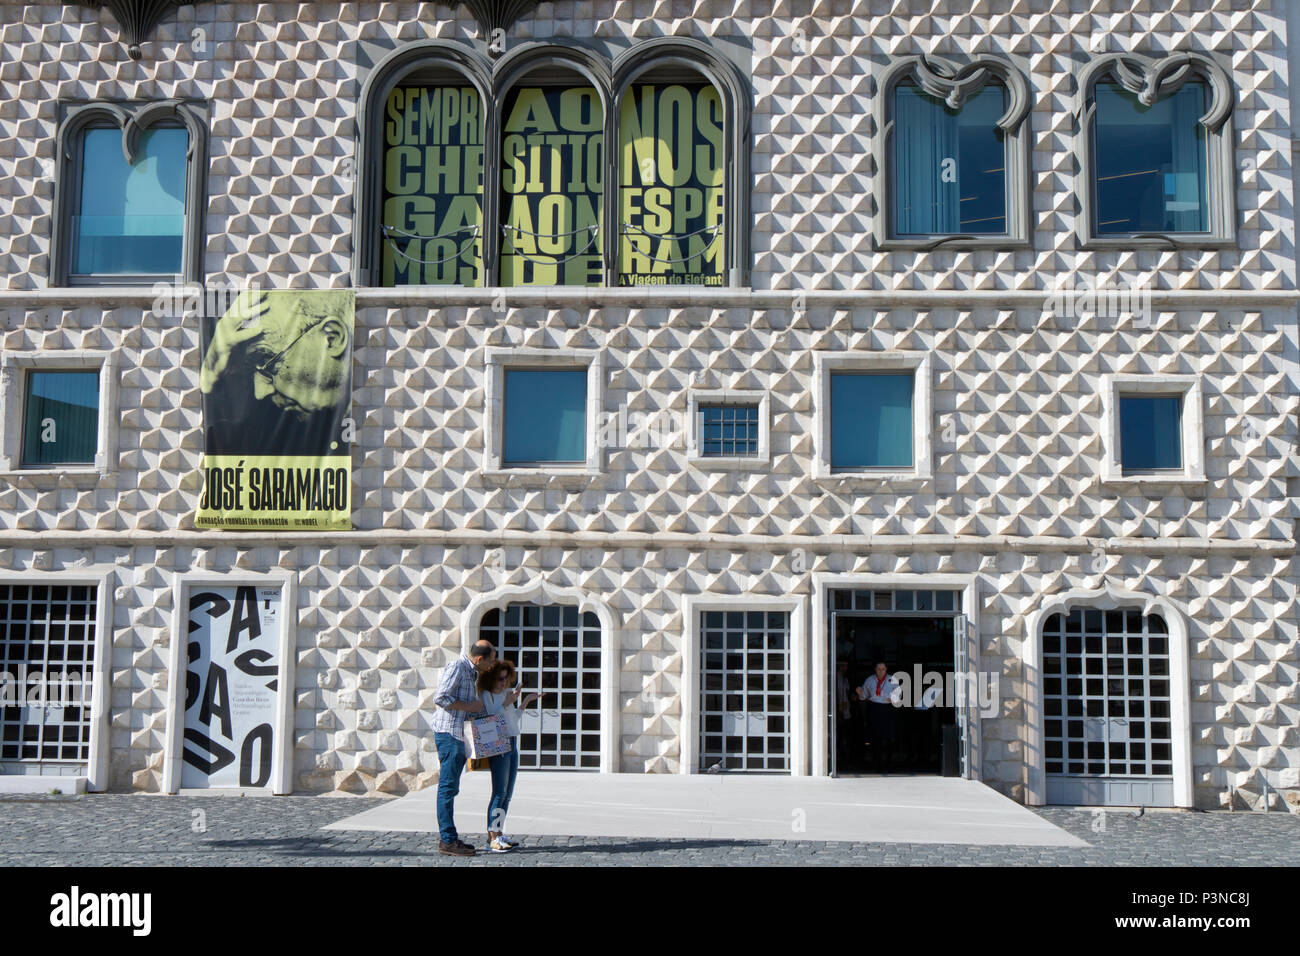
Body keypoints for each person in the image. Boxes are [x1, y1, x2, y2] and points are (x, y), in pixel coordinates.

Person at [199, 289, 353, 456]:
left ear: (332, 338)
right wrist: (210, 376)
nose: (260, 393)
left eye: (268, 362)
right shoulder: (285, 426)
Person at [431, 640, 496, 857]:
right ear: (480, 659)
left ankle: (450, 838)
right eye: (491, 660)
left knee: (451, 788)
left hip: (457, 734)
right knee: (447, 789)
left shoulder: (471, 673)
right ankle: (447, 841)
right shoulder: (457, 667)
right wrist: (470, 706)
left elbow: (466, 707)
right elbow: (441, 697)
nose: (492, 665)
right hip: (449, 734)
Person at [477, 659, 541, 853]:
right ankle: (492, 836)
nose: (504, 682)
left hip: (512, 742)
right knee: (499, 792)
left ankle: (500, 833)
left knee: (508, 794)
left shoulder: (507, 694)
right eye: (500, 678)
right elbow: (491, 719)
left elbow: (513, 719)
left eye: (507, 678)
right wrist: (507, 702)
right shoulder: (487, 695)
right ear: (492, 678)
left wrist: (526, 701)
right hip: (499, 745)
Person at [856, 661, 900, 774]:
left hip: (888, 708)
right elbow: (864, 696)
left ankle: (889, 763)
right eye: (878, 669)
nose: (881, 671)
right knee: (875, 737)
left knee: (889, 736)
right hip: (874, 708)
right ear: (875, 669)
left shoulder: (892, 680)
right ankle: (877, 763)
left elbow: (899, 696)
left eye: (883, 669)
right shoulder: (869, 680)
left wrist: (894, 699)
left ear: (886, 669)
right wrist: (860, 693)